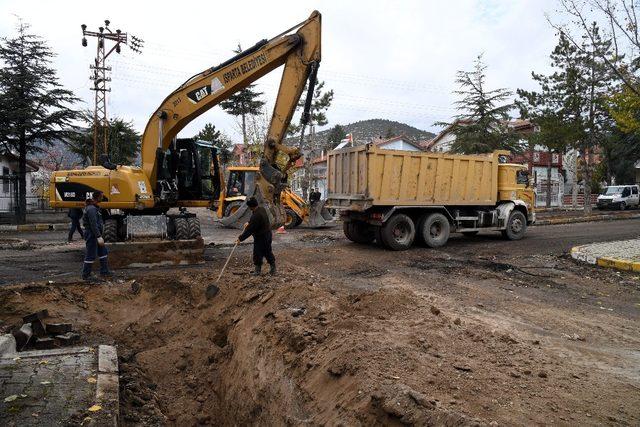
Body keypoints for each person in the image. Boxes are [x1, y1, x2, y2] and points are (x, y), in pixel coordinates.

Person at [237, 197, 276, 276]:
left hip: (261, 237)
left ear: (250, 207)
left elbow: (249, 230)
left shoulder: (256, 215)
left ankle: (257, 271)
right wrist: (249, 222)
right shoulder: (261, 209)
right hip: (267, 234)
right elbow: (256, 222)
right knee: (268, 252)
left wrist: (240, 238)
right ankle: (273, 269)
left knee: (258, 253)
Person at [81, 191, 112, 280]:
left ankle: (104, 271)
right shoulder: (91, 209)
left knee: (103, 252)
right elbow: (93, 224)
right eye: (102, 196)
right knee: (91, 254)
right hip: (92, 234)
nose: (103, 198)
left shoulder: (94, 208)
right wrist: (98, 236)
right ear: (97, 197)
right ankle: (86, 275)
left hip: (95, 233)